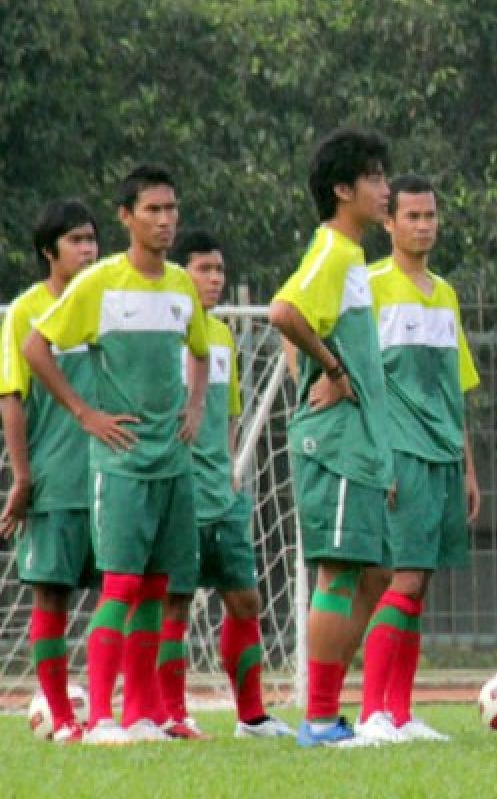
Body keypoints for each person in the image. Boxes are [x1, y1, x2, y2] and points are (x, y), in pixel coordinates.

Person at [24, 165, 210, 745]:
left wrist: (196, 405)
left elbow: (201, 350)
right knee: (122, 586)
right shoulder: (100, 283)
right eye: (152, 210)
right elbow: (36, 345)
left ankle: (142, 715)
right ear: (126, 217)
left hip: (172, 463)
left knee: (157, 588)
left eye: (171, 209)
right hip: (122, 462)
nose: (165, 220)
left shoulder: (181, 284)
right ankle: (100, 715)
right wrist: (85, 413)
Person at [268, 127, 393, 748]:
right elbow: (284, 311)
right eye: (373, 178)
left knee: (375, 574)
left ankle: (328, 710)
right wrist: (334, 372)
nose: (385, 188)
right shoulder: (334, 250)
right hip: (336, 440)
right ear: (342, 190)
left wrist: (322, 364)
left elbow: (301, 328)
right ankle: (318, 719)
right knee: (340, 574)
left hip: (363, 441)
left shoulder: (353, 259)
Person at [354, 174, 482, 744]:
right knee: (400, 580)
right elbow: (342, 364)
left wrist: (468, 464)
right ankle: (369, 713)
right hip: (398, 451)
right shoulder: (370, 285)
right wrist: (374, 455)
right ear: (388, 223)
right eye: (412, 217)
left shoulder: (446, 292)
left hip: (442, 455)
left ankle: (401, 713)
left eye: (430, 216)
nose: (423, 226)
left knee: (420, 584)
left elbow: (457, 387)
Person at [153, 229, 293, 739]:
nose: (214, 280)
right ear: (180, 273)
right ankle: (171, 715)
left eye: (219, 271)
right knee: (175, 602)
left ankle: (251, 717)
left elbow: (230, 414)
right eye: (203, 270)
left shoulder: (223, 337)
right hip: (175, 492)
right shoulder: (163, 334)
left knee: (245, 599)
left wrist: (232, 470)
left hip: (222, 492)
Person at [0, 199, 100, 744]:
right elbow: (11, 396)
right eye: (76, 241)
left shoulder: (107, 304)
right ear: (48, 251)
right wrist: (23, 476)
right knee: (52, 596)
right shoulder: (25, 311)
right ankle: (62, 717)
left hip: (113, 476)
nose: (88, 250)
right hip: (57, 478)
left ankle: (114, 711)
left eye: (92, 239)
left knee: (126, 592)